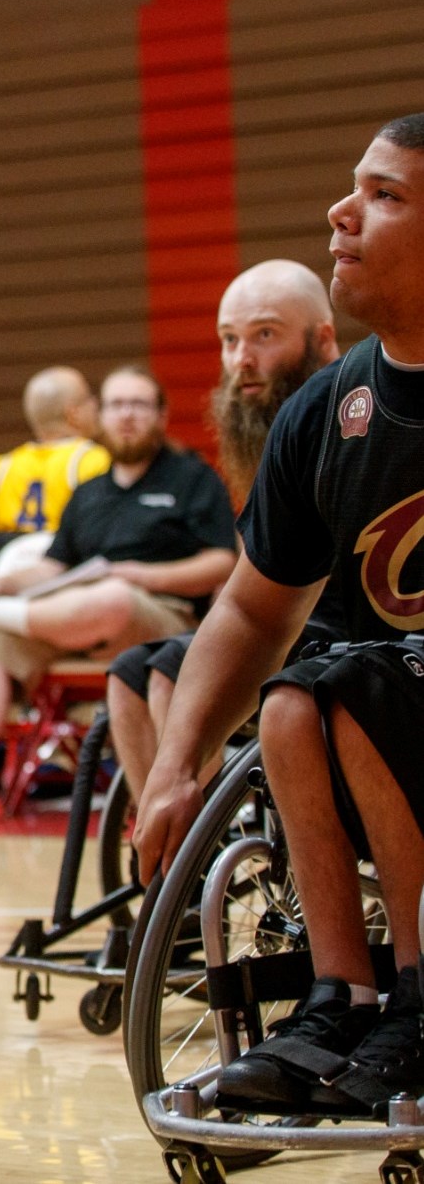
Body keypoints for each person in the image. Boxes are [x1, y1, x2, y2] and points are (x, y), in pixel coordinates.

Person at [133, 117, 424, 1112]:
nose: (339, 213)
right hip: (381, 723)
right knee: (294, 697)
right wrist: (173, 765)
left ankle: (417, 998)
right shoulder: (324, 412)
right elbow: (249, 614)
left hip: (393, 710)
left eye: (383, 195)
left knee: (342, 684)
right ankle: (337, 997)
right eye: (352, 187)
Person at [0, 366, 238, 825]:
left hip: (162, 614)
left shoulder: (192, 478)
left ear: (161, 416)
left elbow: (222, 561)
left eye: (139, 405)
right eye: (117, 405)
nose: (127, 416)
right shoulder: (89, 492)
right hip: (76, 614)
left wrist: (146, 574)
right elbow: (54, 566)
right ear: (99, 415)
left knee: (114, 596)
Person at [105, 261, 341, 800]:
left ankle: (196, 849)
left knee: (172, 669)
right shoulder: (263, 428)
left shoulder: (340, 416)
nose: (241, 360)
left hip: (336, 628)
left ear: (323, 339)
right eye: (229, 340)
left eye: (263, 335)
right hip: (287, 618)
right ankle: (170, 860)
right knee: (126, 674)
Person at [0, 367, 107, 595]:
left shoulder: (2, 467)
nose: (96, 405)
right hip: (65, 591)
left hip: (7, 593)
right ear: (73, 414)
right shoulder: (95, 461)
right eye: (90, 399)